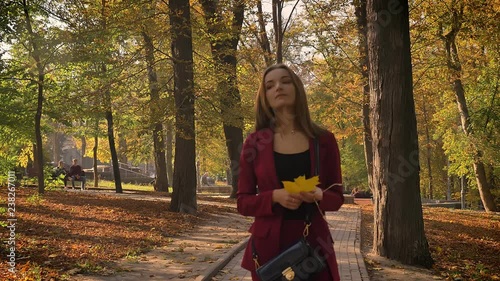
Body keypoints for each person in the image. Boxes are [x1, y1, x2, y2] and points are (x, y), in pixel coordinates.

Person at [237, 64, 344, 281]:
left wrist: (319, 195)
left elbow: (337, 198)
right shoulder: (254, 143)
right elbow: (243, 203)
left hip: (314, 246)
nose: (278, 87)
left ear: (297, 88)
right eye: (270, 85)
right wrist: (275, 196)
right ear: (265, 97)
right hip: (269, 249)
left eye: (285, 81)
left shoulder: (323, 140)